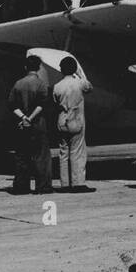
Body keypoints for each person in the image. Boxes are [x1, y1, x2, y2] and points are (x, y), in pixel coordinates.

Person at [9, 55, 52, 194]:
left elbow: (12, 105)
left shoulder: (18, 84)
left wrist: (23, 118)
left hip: (21, 125)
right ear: (39, 68)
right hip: (38, 124)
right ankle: (43, 187)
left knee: (22, 156)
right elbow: (42, 104)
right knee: (41, 157)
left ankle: (21, 187)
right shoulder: (41, 84)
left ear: (26, 67)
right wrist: (31, 118)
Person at [52, 56, 94, 192]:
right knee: (77, 152)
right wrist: (81, 75)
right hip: (76, 119)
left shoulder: (57, 86)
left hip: (62, 120)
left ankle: (65, 184)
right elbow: (89, 88)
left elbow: (55, 102)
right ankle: (78, 183)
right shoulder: (79, 83)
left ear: (61, 70)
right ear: (74, 69)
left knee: (63, 152)